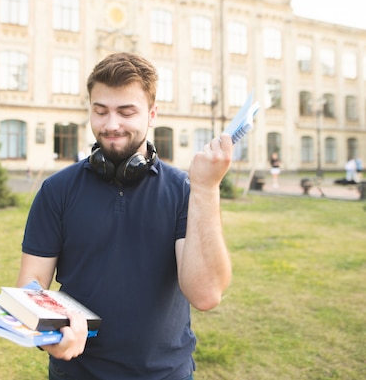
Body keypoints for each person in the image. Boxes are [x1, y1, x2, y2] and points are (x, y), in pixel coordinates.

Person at [15, 52, 232, 380]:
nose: (110, 124)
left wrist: (206, 189)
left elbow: (206, 294)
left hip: (165, 374)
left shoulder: (184, 190)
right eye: (100, 111)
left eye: (126, 112)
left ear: (152, 114)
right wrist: (49, 335)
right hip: (76, 373)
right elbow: (31, 286)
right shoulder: (56, 190)